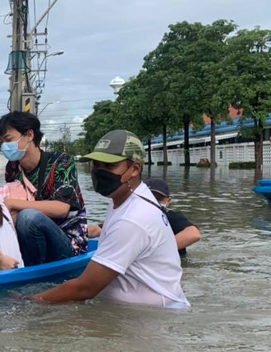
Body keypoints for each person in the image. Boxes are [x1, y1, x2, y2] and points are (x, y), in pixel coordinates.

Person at [30, 130, 189, 308]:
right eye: (96, 165)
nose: (99, 172)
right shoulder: (129, 200)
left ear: (135, 169)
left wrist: (29, 302)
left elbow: (85, 288)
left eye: (109, 166)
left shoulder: (133, 218)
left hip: (152, 317)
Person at [0, 111, 87, 266]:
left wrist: (11, 203)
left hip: (66, 241)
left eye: (8, 140)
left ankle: (31, 273)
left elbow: (61, 208)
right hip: (28, 240)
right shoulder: (12, 168)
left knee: (29, 217)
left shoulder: (62, 162)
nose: (4, 146)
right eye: (1, 142)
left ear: (29, 135)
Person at [88, 178, 201, 258]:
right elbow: (97, 230)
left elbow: (193, 234)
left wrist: (155, 251)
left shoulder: (171, 217)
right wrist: (75, 232)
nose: (153, 201)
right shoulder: (130, 219)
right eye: (149, 197)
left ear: (168, 201)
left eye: (158, 198)